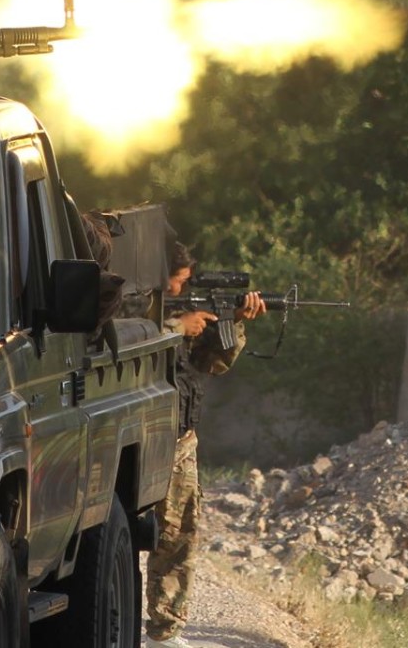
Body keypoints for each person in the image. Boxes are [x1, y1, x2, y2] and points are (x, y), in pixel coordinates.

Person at [145, 238, 266, 648]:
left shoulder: (182, 311)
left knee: (179, 536)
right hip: (142, 438)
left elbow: (211, 365)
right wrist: (180, 325)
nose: (179, 290)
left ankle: (164, 630)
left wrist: (233, 322)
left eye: (184, 282)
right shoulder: (135, 305)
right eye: (176, 282)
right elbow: (127, 338)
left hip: (181, 439)